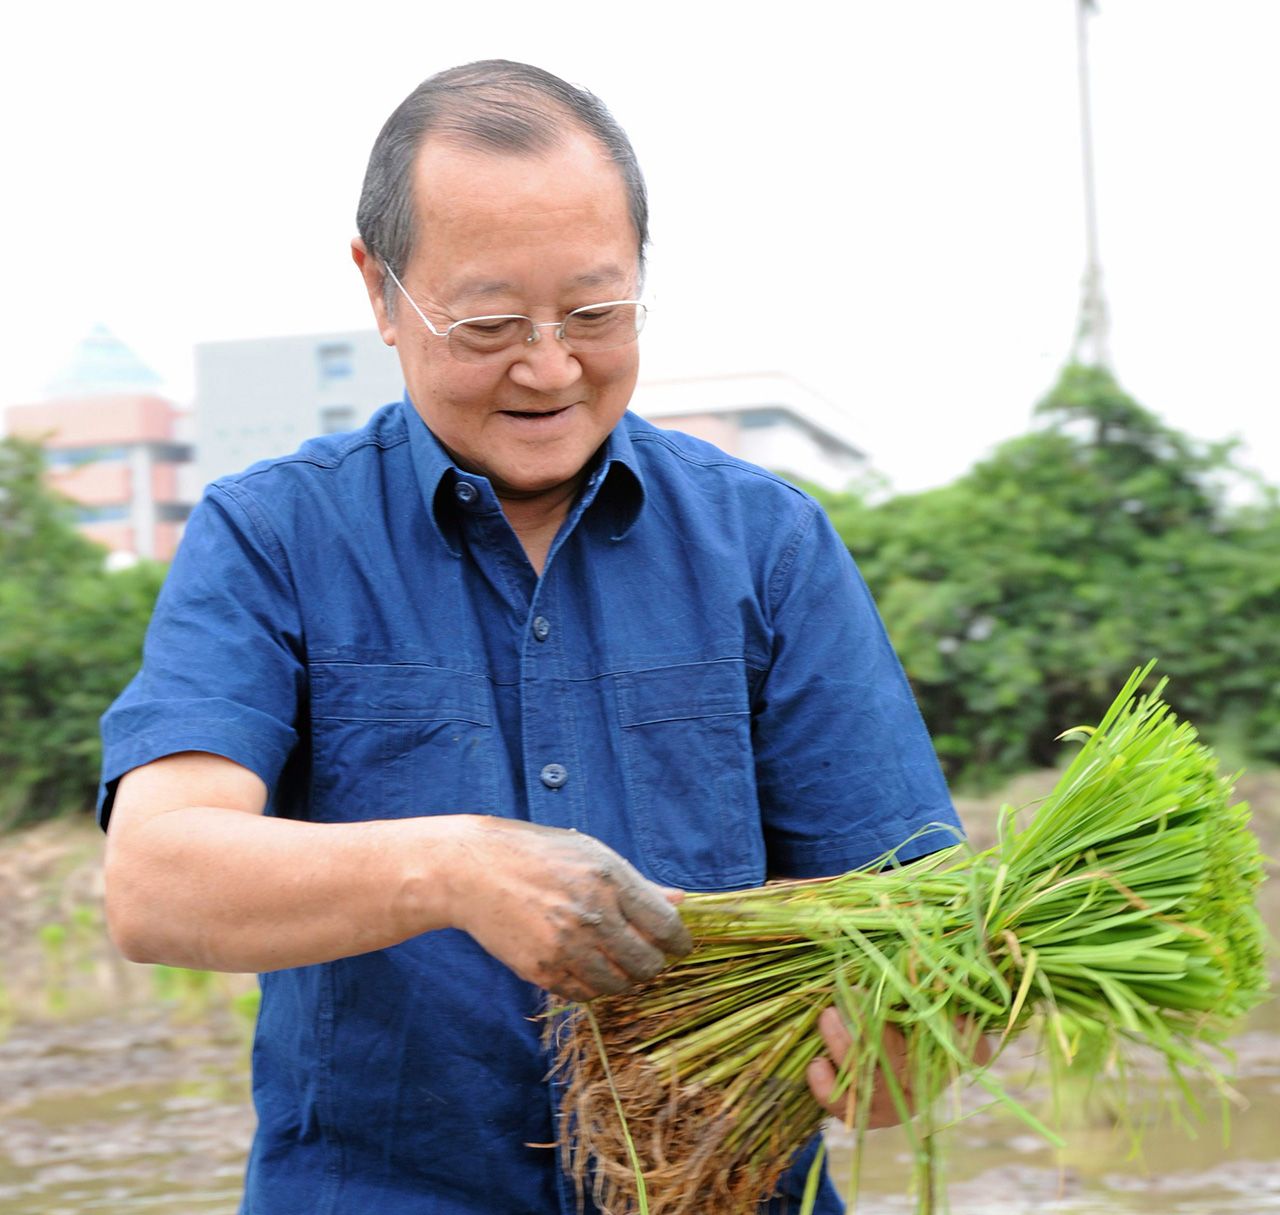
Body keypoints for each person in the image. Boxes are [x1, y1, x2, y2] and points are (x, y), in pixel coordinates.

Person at [99, 60, 962, 1214]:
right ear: (380, 289)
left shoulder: (767, 544)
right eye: (491, 322)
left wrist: (916, 1031)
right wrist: (448, 870)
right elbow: (155, 882)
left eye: (596, 314)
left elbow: (915, 910)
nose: (549, 367)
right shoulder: (271, 535)